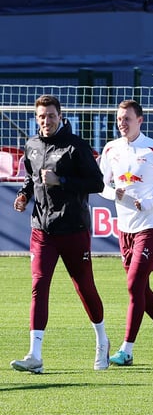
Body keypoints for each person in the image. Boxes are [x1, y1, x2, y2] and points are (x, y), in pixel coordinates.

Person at [10, 95, 108, 374]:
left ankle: (102, 340)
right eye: (41, 116)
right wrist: (24, 195)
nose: (46, 121)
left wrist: (61, 180)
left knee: (84, 287)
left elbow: (97, 183)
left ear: (61, 116)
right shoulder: (31, 144)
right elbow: (31, 177)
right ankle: (35, 354)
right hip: (42, 230)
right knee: (39, 286)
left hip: (73, 229)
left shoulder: (75, 146)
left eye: (50, 115)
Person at [98, 99, 153, 367]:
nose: (122, 123)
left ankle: (126, 350)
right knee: (141, 289)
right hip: (124, 227)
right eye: (119, 119)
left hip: (152, 224)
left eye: (127, 119)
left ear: (140, 120)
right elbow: (100, 185)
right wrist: (114, 192)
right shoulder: (111, 148)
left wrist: (152, 201)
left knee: (134, 285)